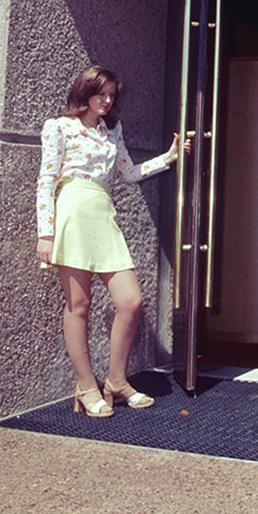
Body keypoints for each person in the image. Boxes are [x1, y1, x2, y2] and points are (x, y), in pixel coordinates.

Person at [36, 65, 187, 417]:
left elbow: (128, 174)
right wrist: (46, 232)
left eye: (111, 96)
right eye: (100, 93)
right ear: (84, 92)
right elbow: (46, 181)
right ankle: (87, 386)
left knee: (131, 302)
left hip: (104, 215)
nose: (106, 100)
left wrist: (167, 159)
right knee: (79, 306)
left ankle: (116, 381)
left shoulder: (111, 131)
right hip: (72, 213)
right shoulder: (59, 127)